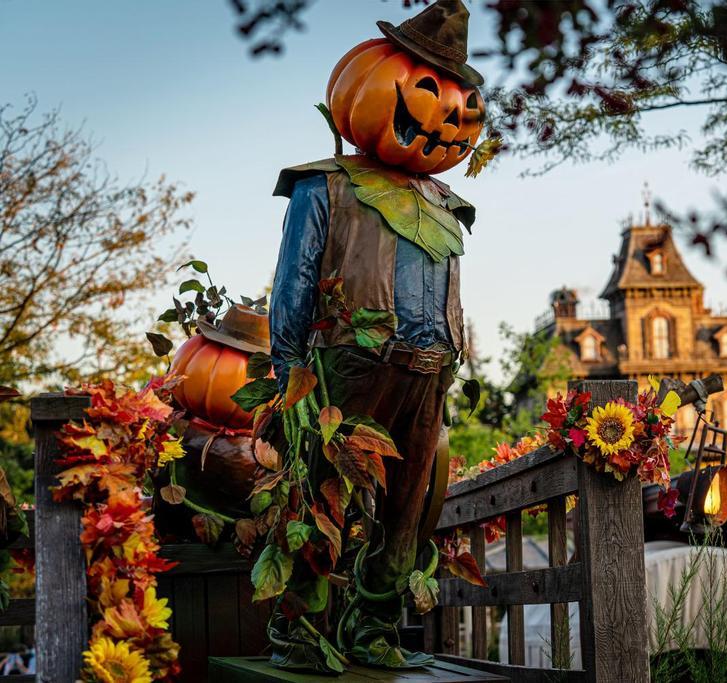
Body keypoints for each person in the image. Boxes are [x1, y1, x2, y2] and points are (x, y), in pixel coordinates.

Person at [269, 0, 485, 668]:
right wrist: (286, 371)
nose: (448, 111)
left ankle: (375, 622)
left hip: (429, 370)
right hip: (347, 362)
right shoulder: (326, 187)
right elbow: (294, 281)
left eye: (461, 99)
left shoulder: (448, 206)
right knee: (321, 489)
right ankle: (299, 620)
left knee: (406, 505)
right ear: (377, 82)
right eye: (428, 89)